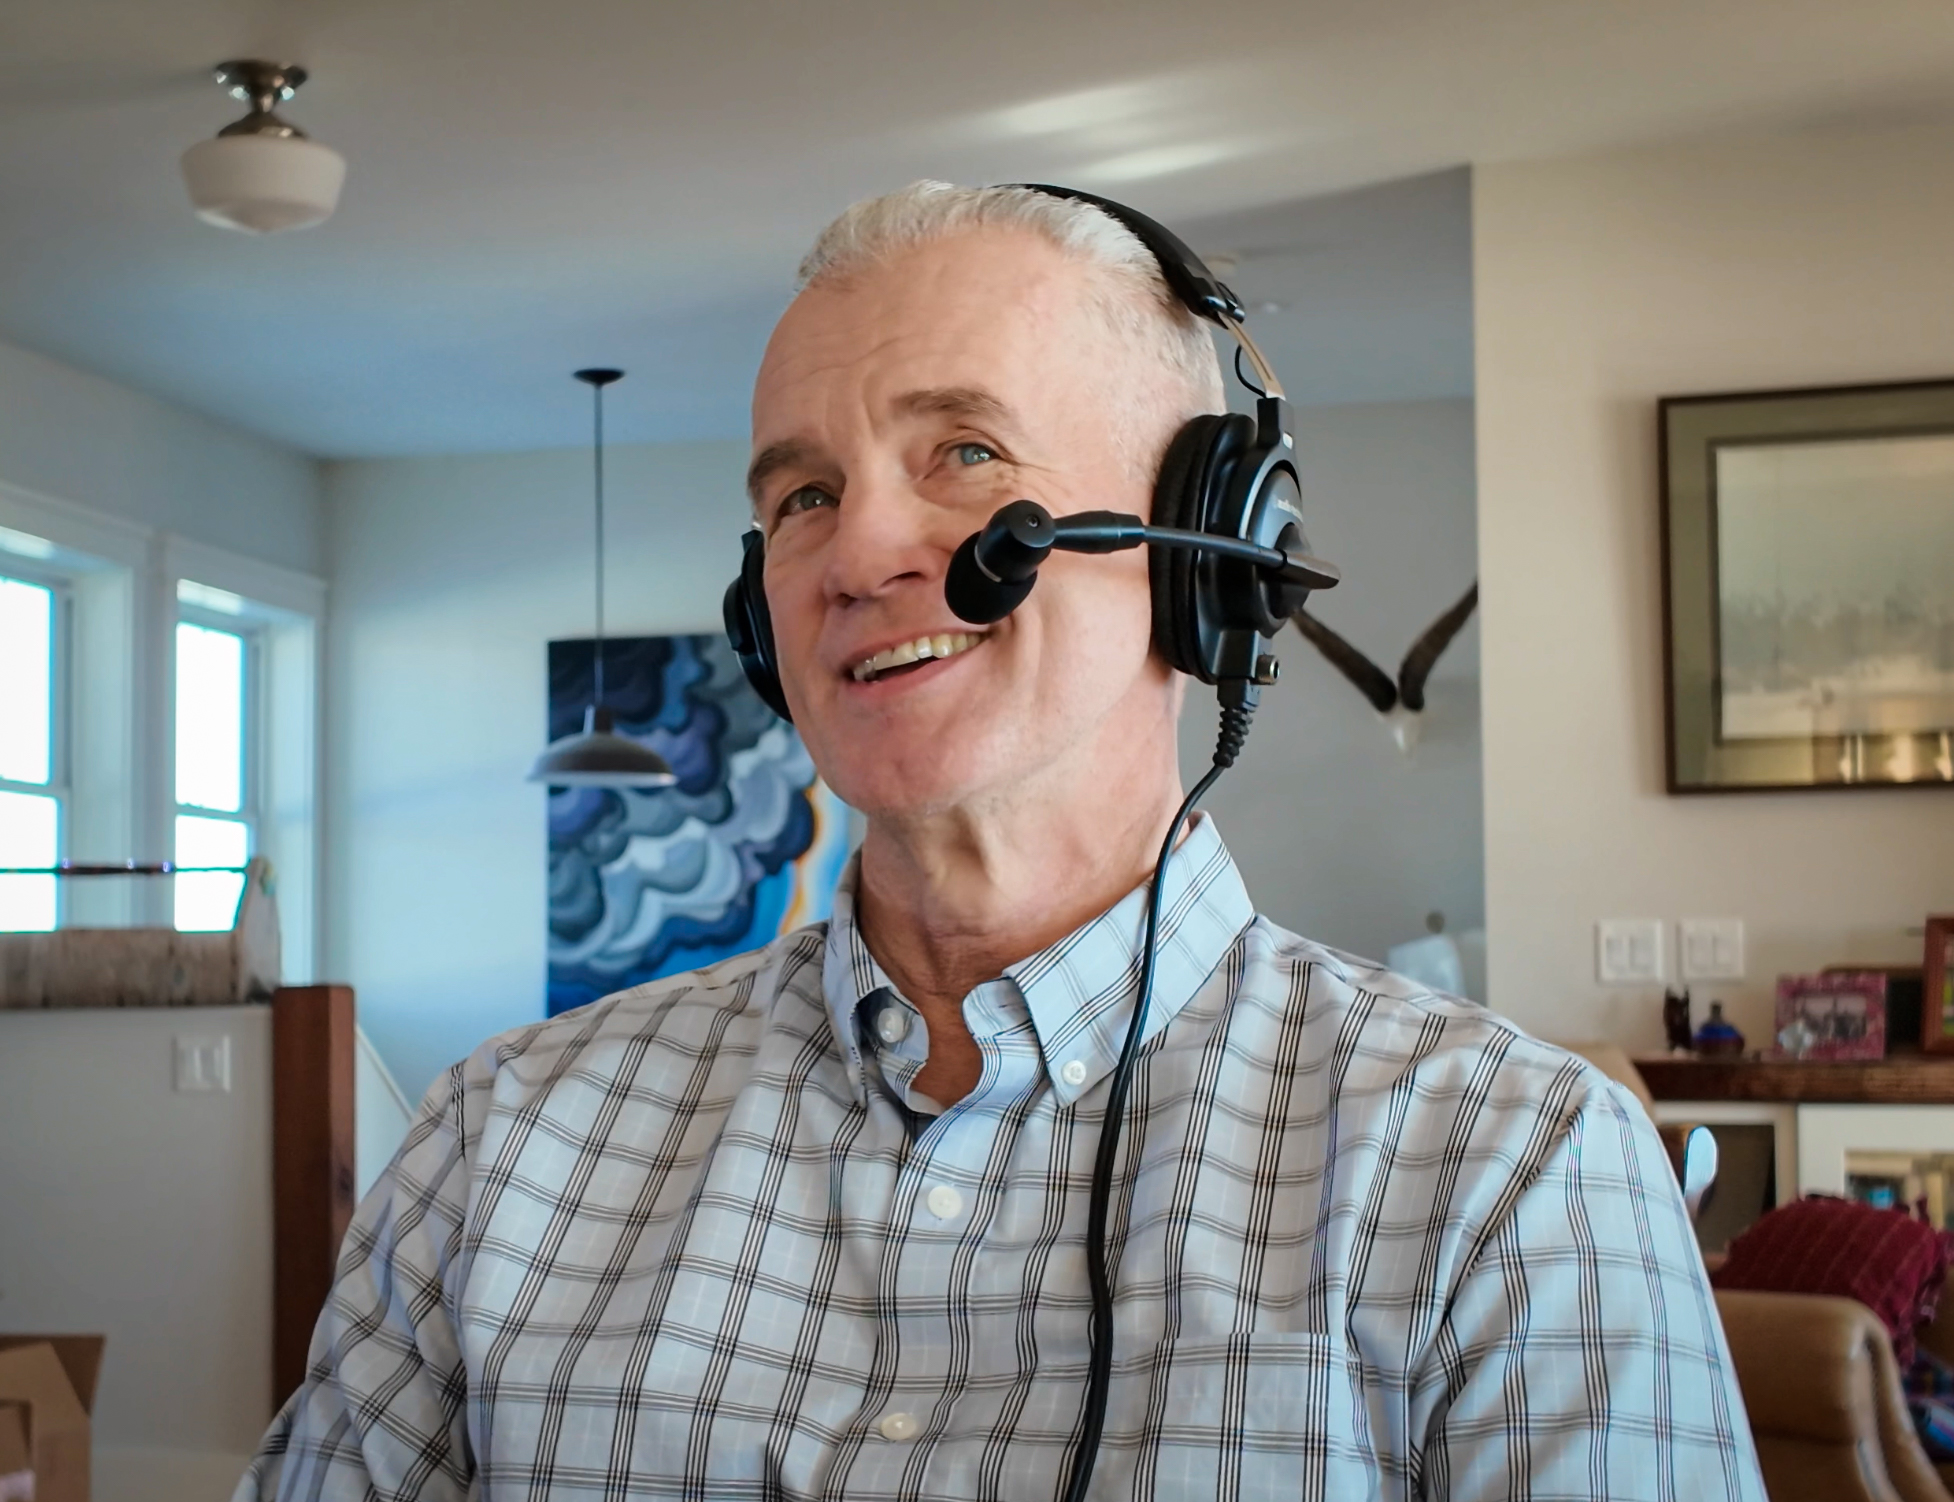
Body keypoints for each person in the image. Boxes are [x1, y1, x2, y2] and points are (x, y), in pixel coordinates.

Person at [238, 182, 1764, 1500]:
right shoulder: (500, 1143)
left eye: (962, 453)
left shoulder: (1511, 1169)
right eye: (803, 494)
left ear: (1203, 558)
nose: (854, 553)